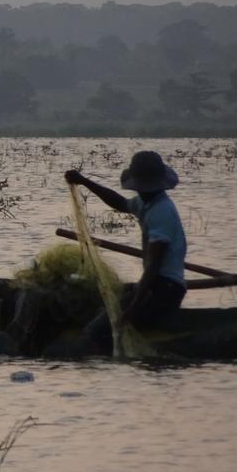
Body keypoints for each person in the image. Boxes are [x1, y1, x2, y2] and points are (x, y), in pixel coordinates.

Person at [64, 150, 187, 352]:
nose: (139, 190)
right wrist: (84, 181)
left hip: (165, 290)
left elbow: (154, 265)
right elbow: (120, 203)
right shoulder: (147, 201)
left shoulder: (161, 211)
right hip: (157, 286)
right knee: (109, 305)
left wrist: (134, 305)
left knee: (95, 332)